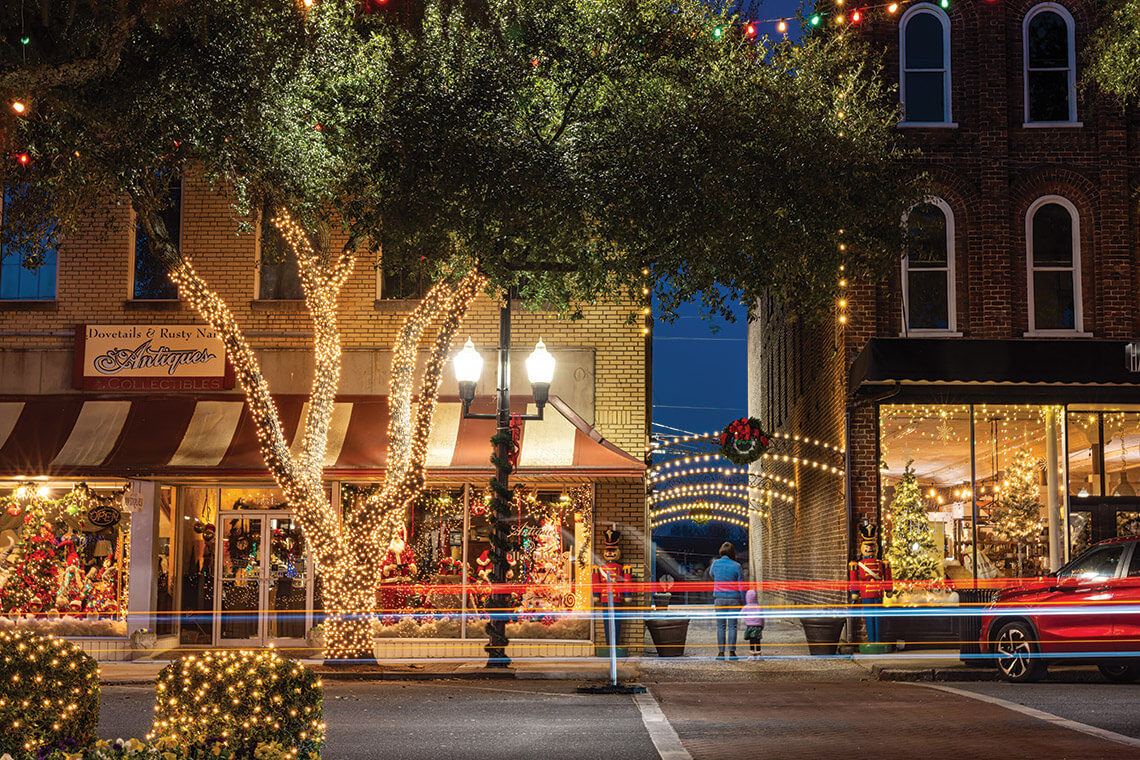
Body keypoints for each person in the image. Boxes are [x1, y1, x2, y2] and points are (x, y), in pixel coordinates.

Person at [708, 541, 743, 660]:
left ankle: (721, 652)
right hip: (734, 599)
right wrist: (743, 601)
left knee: (720, 626)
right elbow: (741, 586)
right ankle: (732, 652)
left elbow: (711, 574)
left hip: (719, 598)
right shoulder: (737, 566)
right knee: (733, 626)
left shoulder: (715, 564)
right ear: (733, 552)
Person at [740, 588, 765, 660]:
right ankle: (759, 655)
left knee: (751, 641)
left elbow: (740, 614)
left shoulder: (746, 607)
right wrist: (762, 626)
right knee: (757, 640)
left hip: (750, 626)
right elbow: (762, 617)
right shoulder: (759, 607)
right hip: (758, 626)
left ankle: (752, 654)